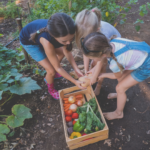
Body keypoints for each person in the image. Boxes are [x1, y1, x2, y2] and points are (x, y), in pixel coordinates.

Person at [80, 32, 150, 120]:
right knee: (122, 82)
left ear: (102, 54)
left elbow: (117, 76)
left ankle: (118, 113)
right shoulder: (110, 44)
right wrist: (93, 71)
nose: (92, 60)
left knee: (120, 88)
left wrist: (102, 75)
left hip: (145, 66)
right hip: (141, 54)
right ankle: (119, 95)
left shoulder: (114, 63)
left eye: (92, 58)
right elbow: (101, 60)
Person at [20, 13, 84, 100]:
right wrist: (75, 81)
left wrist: (76, 69)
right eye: (65, 41)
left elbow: (67, 52)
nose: (69, 43)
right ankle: (51, 89)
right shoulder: (47, 42)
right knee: (51, 71)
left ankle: (52, 72)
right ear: (54, 36)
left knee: (61, 53)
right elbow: (58, 67)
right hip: (29, 42)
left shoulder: (64, 32)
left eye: (71, 39)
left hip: (41, 37)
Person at [75, 8, 121, 95]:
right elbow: (85, 52)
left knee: (100, 66)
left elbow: (101, 61)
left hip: (112, 46)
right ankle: (93, 76)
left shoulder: (103, 36)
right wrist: (86, 69)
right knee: (93, 64)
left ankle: (98, 86)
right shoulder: (88, 31)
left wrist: (95, 75)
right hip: (100, 46)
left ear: (97, 30)